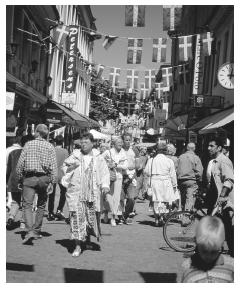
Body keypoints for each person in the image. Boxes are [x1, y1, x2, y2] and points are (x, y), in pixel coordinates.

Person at [62, 132, 110, 256]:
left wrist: (105, 186)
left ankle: (87, 239)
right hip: (77, 194)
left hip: (92, 194)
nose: (83, 145)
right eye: (82, 142)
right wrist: (71, 167)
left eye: (86, 142)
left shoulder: (98, 157)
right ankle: (77, 246)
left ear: (92, 143)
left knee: (90, 219)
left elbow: (104, 172)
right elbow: (64, 167)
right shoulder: (75, 155)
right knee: (77, 219)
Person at [16, 124, 58, 244]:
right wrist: (52, 182)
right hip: (44, 178)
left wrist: (20, 178)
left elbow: (20, 164)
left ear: (37, 132)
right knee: (41, 205)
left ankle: (29, 230)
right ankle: (37, 230)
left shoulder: (28, 144)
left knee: (27, 205)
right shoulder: (50, 146)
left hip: (29, 178)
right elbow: (54, 167)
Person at [181, 216, 234, 283]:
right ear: (196, 243)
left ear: (222, 244)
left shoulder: (231, 266)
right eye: (204, 251)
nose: (208, 256)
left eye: (213, 252)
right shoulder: (188, 266)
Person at [206, 137, 234, 257]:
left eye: (212, 146)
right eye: (209, 146)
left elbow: (229, 180)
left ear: (219, 148)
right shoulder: (214, 162)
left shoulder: (223, 161)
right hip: (217, 198)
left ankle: (232, 251)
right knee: (220, 225)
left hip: (224, 199)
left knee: (227, 227)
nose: (209, 148)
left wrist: (222, 196)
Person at [144, 143, 178, 226]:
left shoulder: (151, 160)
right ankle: (161, 217)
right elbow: (173, 174)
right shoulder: (169, 161)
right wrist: (174, 185)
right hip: (166, 182)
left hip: (155, 182)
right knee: (164, 201)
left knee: (156, 201)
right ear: (165, 151)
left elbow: (146, 172)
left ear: (157, 150)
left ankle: (156, 219)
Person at [6, 135, 31, 230]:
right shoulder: (29, 153)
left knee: (15, 201)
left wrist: (6, 180)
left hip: (12, 180)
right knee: (26, 202)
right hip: (25, 180)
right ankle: (23, 222)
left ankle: (11, 217)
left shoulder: (13, 152)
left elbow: (9, 169)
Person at [102, 137, 128, 226]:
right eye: (118, 142)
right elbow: (100, 162)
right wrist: (107, 165)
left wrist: (116, 165)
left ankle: (113, 217)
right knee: (107, 196)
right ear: (114, 143)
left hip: (118, 177)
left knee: (116, 198)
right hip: (108, 177)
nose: (120, 144)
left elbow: (126, 166)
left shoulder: (123, 152)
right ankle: (106, 212)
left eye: (121, 142)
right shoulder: (108, 152)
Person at [177, 142, 203, 219]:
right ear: (194, 149)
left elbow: (176, 169)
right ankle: (186, 216)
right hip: (191, 181)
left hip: (181, 181)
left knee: (182, 197)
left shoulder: (181, 157)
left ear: (187, 148)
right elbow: (199, 172)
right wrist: (198, 179)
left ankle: (179, 213)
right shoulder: (196, 158)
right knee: (190, 198)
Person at [47, 135, 69, 221]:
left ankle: (50, 212)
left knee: (51, 194)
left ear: (55, 142)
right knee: (63, 193)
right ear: (62, 142)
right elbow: (67, 163)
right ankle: (59, 210)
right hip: (62, 174)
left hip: (53, 174)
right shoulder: (65, 151)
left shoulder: (51, 150)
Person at [121, 133, 140, 225]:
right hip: (121, 175)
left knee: (131, 198)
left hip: (131, 176)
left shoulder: (135, 150)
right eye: (126, 140)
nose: (128, 142)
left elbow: (138, 165)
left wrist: (131, 176)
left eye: (129, 140)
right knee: (120, 198)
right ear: (123, 141)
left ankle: (127, 214)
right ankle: (121, 216)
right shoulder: (119, 150)